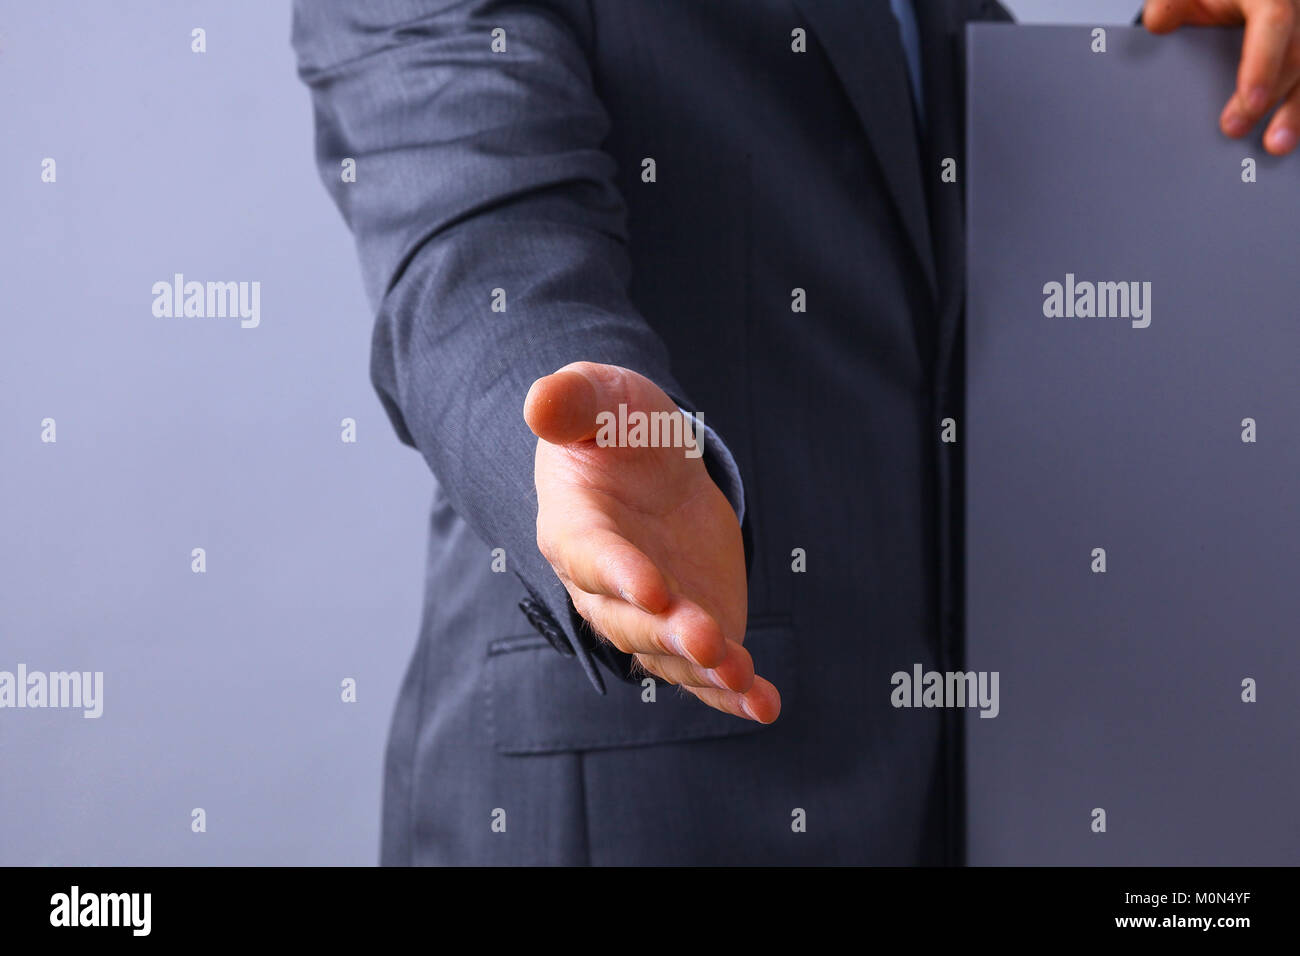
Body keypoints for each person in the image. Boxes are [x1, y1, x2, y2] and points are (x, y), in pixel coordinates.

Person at [291, 0, 1300, 865]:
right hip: (658, 798)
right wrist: (576, 433)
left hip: (977, 784)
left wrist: (1172, 88)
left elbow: (947, 264)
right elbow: (472, 233)